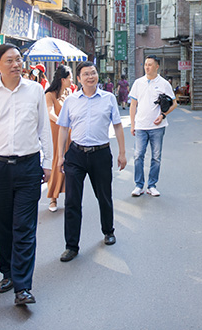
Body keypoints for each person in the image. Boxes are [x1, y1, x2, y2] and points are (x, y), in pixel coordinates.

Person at [0, 44, 52, 306]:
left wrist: (48, 162)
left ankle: (23, 286)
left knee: (25, 227)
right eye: (9, 60)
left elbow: (44, 128)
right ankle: (7, 273)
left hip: (28, 166)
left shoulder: (35, 90)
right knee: (2, 225)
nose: (16, 64)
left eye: (18, 59)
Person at [56, 61, 127, 262]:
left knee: (104, 196)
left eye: (93, 73)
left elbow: (118, 126)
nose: (90, 77)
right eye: (86, 74)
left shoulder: (108, 98)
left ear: (97, 76)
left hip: (100, 154)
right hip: (76, 155)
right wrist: (60, 156)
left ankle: (108, 230)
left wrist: (122, 153)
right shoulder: (71, 101)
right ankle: (71, 246)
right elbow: (63, 128)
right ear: (79, 79)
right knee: (72, 201)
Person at [129, 55, 177, 197]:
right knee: (138, 155)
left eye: (150, 64)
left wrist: (163, 115)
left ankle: (152, 186)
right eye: (145, 64)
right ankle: (138, 185)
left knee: (156, 157)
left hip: (157, 127)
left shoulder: (164, 84)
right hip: (141, 126)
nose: (147, 67)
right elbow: (133, 105)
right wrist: (132, 124)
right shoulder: (138, 83)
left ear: (157, 66)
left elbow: (174, 103)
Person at [44, 65, 72, 212]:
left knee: (69, 163)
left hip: (69, 132)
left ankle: (70, 197)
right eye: (70, 78)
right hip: (55, 132)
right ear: (63, 79)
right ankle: (53, 198)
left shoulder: (69, 93)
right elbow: (50, 113)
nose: (72, 81)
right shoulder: (49, 94)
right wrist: (62, 122)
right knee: (56, 162)